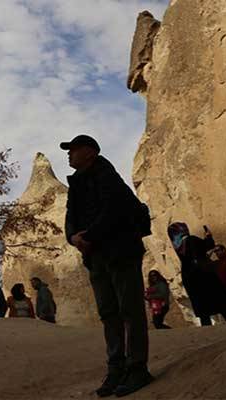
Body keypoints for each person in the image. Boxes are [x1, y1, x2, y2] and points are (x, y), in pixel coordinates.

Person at [61, 134, 152, 397]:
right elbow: (71, 219)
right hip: (97, 257)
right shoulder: (76, 184)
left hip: (121, 252)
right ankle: (116, 368)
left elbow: (113, 211)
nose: (69, 154)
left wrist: (86, 237)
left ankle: (137, 369)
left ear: (90, 152)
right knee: (109, 313)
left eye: (74, 149)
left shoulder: (107, 176)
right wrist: (73, 237)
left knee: (130, 309)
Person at [167, 223, 226, 326]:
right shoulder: (191, 239)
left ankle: (206, 324)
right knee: (220, 297)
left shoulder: (178, 247)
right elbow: (208, 245)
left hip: (189, 276)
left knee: (200, 301)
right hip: (203, 274)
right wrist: (208, 236)